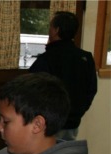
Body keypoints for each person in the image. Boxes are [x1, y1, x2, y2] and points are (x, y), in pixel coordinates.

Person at [29, 11, 97, 141]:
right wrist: (77, 112)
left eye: (50, 26)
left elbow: (32, 91)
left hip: (48, 124)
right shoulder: (85, 58)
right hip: (73, 123)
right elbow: (91, 90)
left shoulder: (47, 58)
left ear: (56, 30)